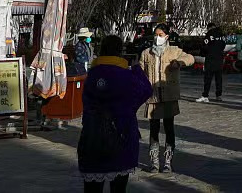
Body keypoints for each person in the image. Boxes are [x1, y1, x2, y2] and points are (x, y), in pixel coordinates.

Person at [78, 35, 153, 193]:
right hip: (122, 136)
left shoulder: (91, 75)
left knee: (92, 188)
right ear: (121, 51)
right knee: (118, 188)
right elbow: (146, 91)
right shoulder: (127, 75)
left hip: (93, 137)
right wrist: (136, 69)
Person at [139, 23, 195, 173]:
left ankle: (168, 161)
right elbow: (140, 71)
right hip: (153, 95)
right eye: (156, 35)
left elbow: (190, 58)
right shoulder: (146, 53)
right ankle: (154, 161)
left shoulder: (174, 51)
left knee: (169, 128)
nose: (158, 38)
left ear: (167, 37)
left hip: (169, 95)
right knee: (154, 129)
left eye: (161, 35)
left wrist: (179, 63)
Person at [198, 22, 227, 103]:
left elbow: (204, 46)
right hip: (219, 58)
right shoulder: (221, 35)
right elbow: (223, 45)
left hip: (210, 58)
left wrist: (204, 53)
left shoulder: (209, 34)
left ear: (209, 28)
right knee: (219, 78)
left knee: (208, 78)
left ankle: (205, 95)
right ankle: (219, 95)